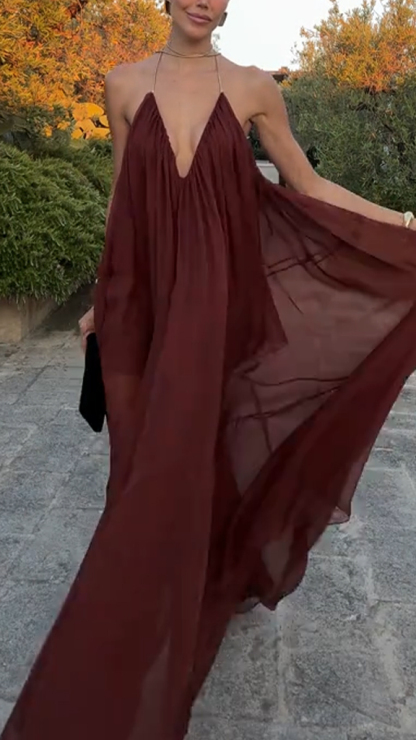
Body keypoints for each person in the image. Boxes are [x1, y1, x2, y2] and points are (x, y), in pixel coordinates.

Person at [3, 1, 416, 739]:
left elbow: (308, 186)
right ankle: (170, 592)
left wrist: (406, 225)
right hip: (140, 311)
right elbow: (123, 203)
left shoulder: (255, 86)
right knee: (140, 470)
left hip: (219, 313)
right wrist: (102, 298)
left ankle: (133, 650)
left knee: (183, 462)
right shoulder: (123, 83)